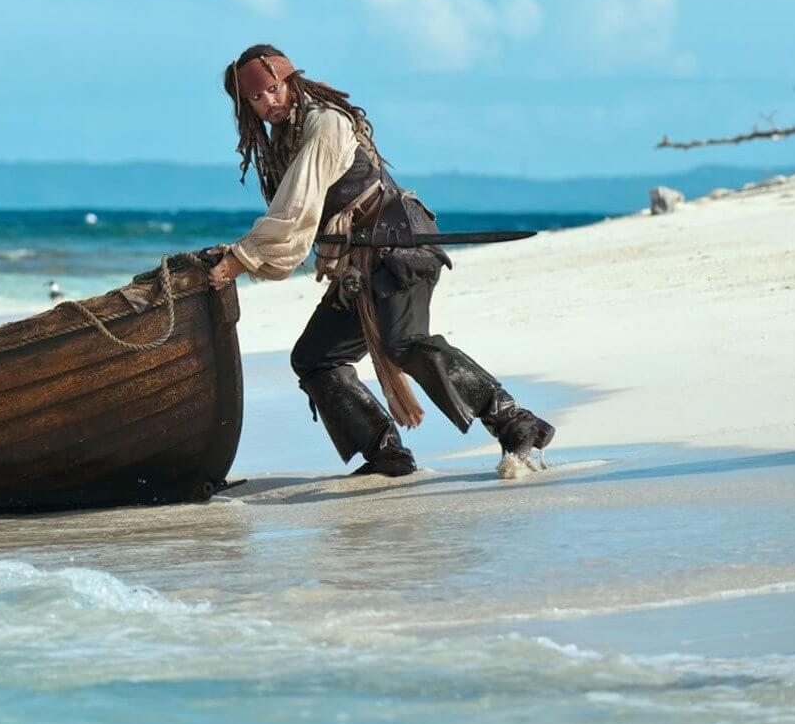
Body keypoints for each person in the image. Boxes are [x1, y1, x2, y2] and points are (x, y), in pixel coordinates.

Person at [204, 44, 555, 478]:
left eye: (273, 89)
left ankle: (516, 422)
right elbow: (296, 214)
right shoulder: (284, 140)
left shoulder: (325, 123)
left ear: (290, 81)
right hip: (359, 267)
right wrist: (238, 254)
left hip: (400, 250)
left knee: (403, 342)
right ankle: (386, 455)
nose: (268, 102)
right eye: (256, 98)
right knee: (315, 357)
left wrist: (239, 260)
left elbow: (294, 212)